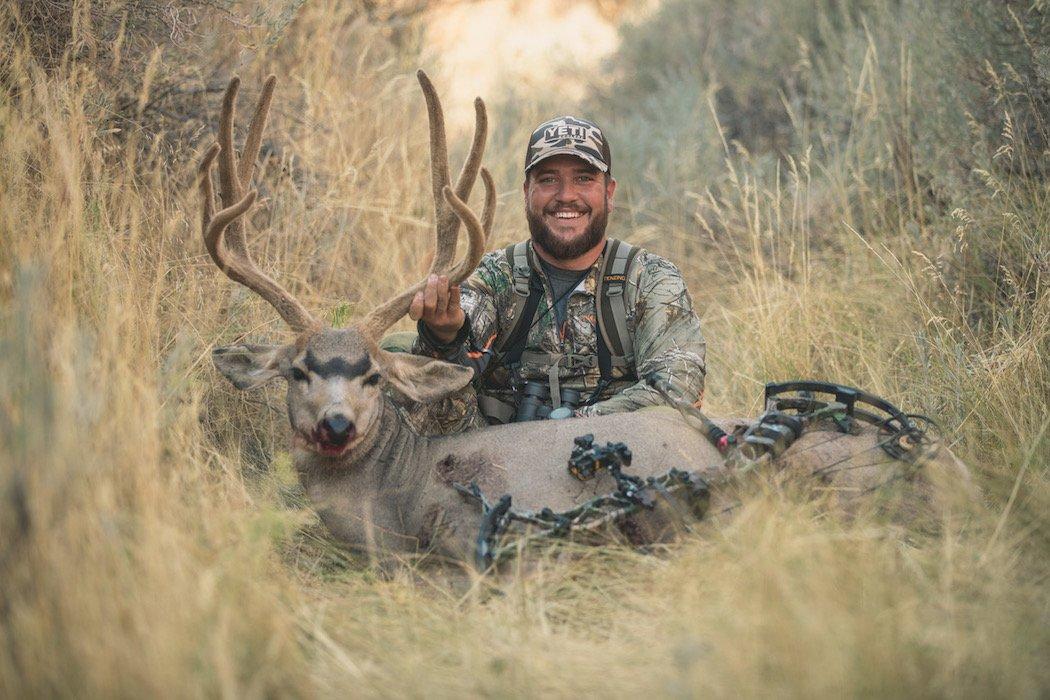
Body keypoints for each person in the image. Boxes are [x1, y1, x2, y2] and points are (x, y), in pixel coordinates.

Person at [400, 115, 706, 431]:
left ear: (609, 193)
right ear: (526, 191)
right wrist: (443, 338)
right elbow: (432, 406)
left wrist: (570, 426)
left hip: (619, 467)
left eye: (584, 179)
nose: (566, 195)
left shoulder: (651, 281)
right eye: (548, 179)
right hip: (499, 468)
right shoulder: (491, 279)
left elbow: (677, 390)